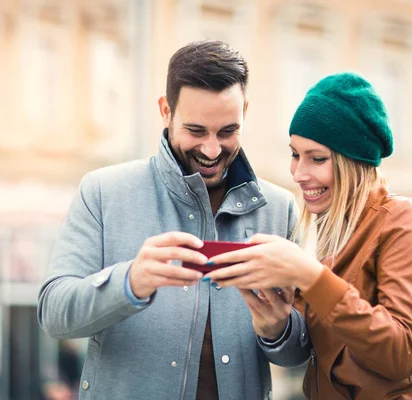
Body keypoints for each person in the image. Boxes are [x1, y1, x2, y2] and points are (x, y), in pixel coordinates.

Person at [37, 40, 309, 400]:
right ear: (166, 111)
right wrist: (130, 282)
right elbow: (54, 312)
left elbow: (297, 352)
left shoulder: (280, 208)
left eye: (227, 131)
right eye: (196, 131)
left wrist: (278, 329)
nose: (212, 150)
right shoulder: (103, 192)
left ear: (244, 110)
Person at [205, 72, 412, 399]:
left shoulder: (404, 220)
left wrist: (309, 276)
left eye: (317, 158)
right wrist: (273, 323)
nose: (298, 174)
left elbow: (400, 354)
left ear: (354, 161)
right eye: (295, 154)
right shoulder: (328, 233)